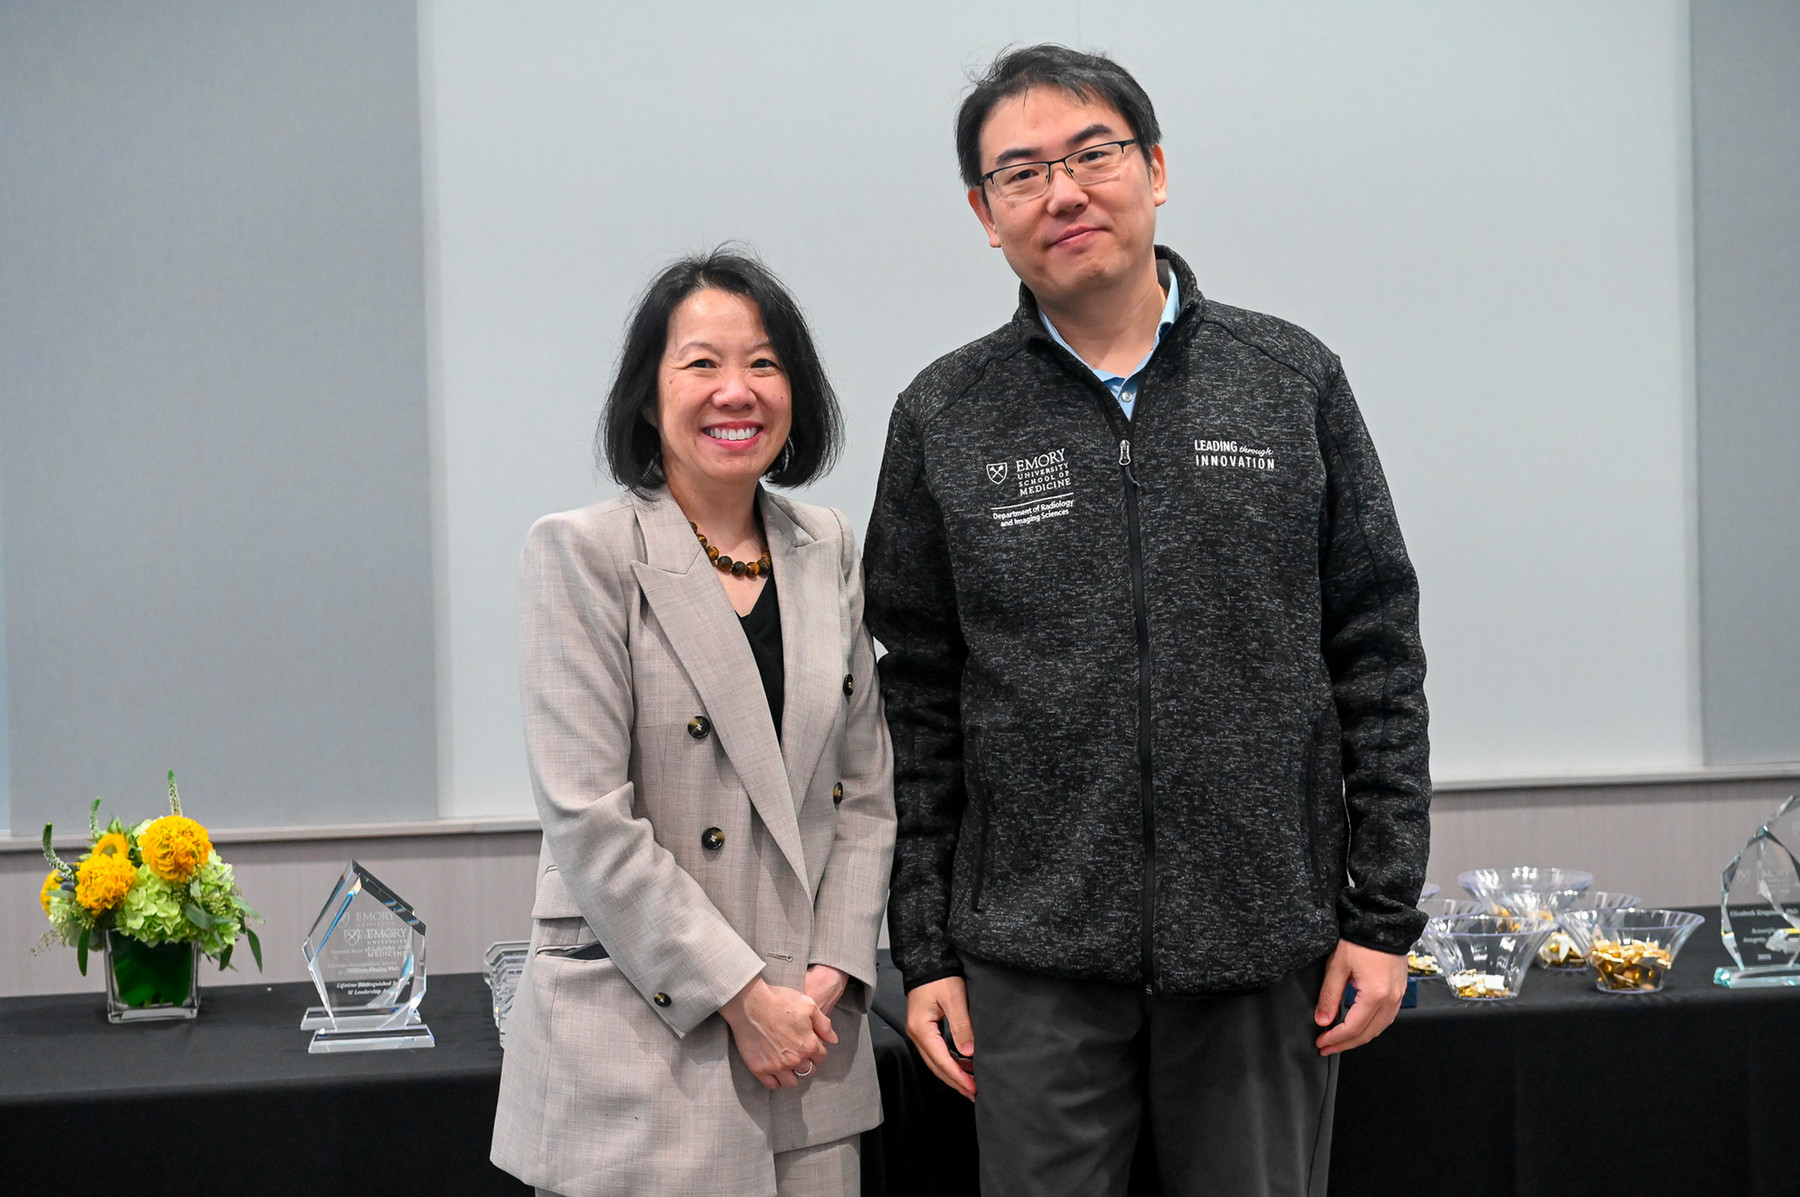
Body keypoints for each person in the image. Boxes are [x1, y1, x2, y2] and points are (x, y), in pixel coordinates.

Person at [864, 45, 1430, 1196]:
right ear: (985, 213)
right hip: (1032, 958)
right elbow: (915, 699)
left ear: (1155, 168)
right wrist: (921, 949)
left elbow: (1375, 652)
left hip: (1265, 939)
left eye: (1093, 154)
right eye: (1020, 173)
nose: (1063, 193)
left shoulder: (1287, 379)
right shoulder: (945, 415)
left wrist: (1382, 915)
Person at [491, 248, 896, 1197]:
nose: (736, 392)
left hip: (808, 1042)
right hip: (645, 1038)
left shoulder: (826, 546)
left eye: (763, 363)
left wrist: (831, 969)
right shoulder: (583, 551)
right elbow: (589, 819)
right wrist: (742, 996)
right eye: (701, 363)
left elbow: (867, 788)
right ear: (647, 396)